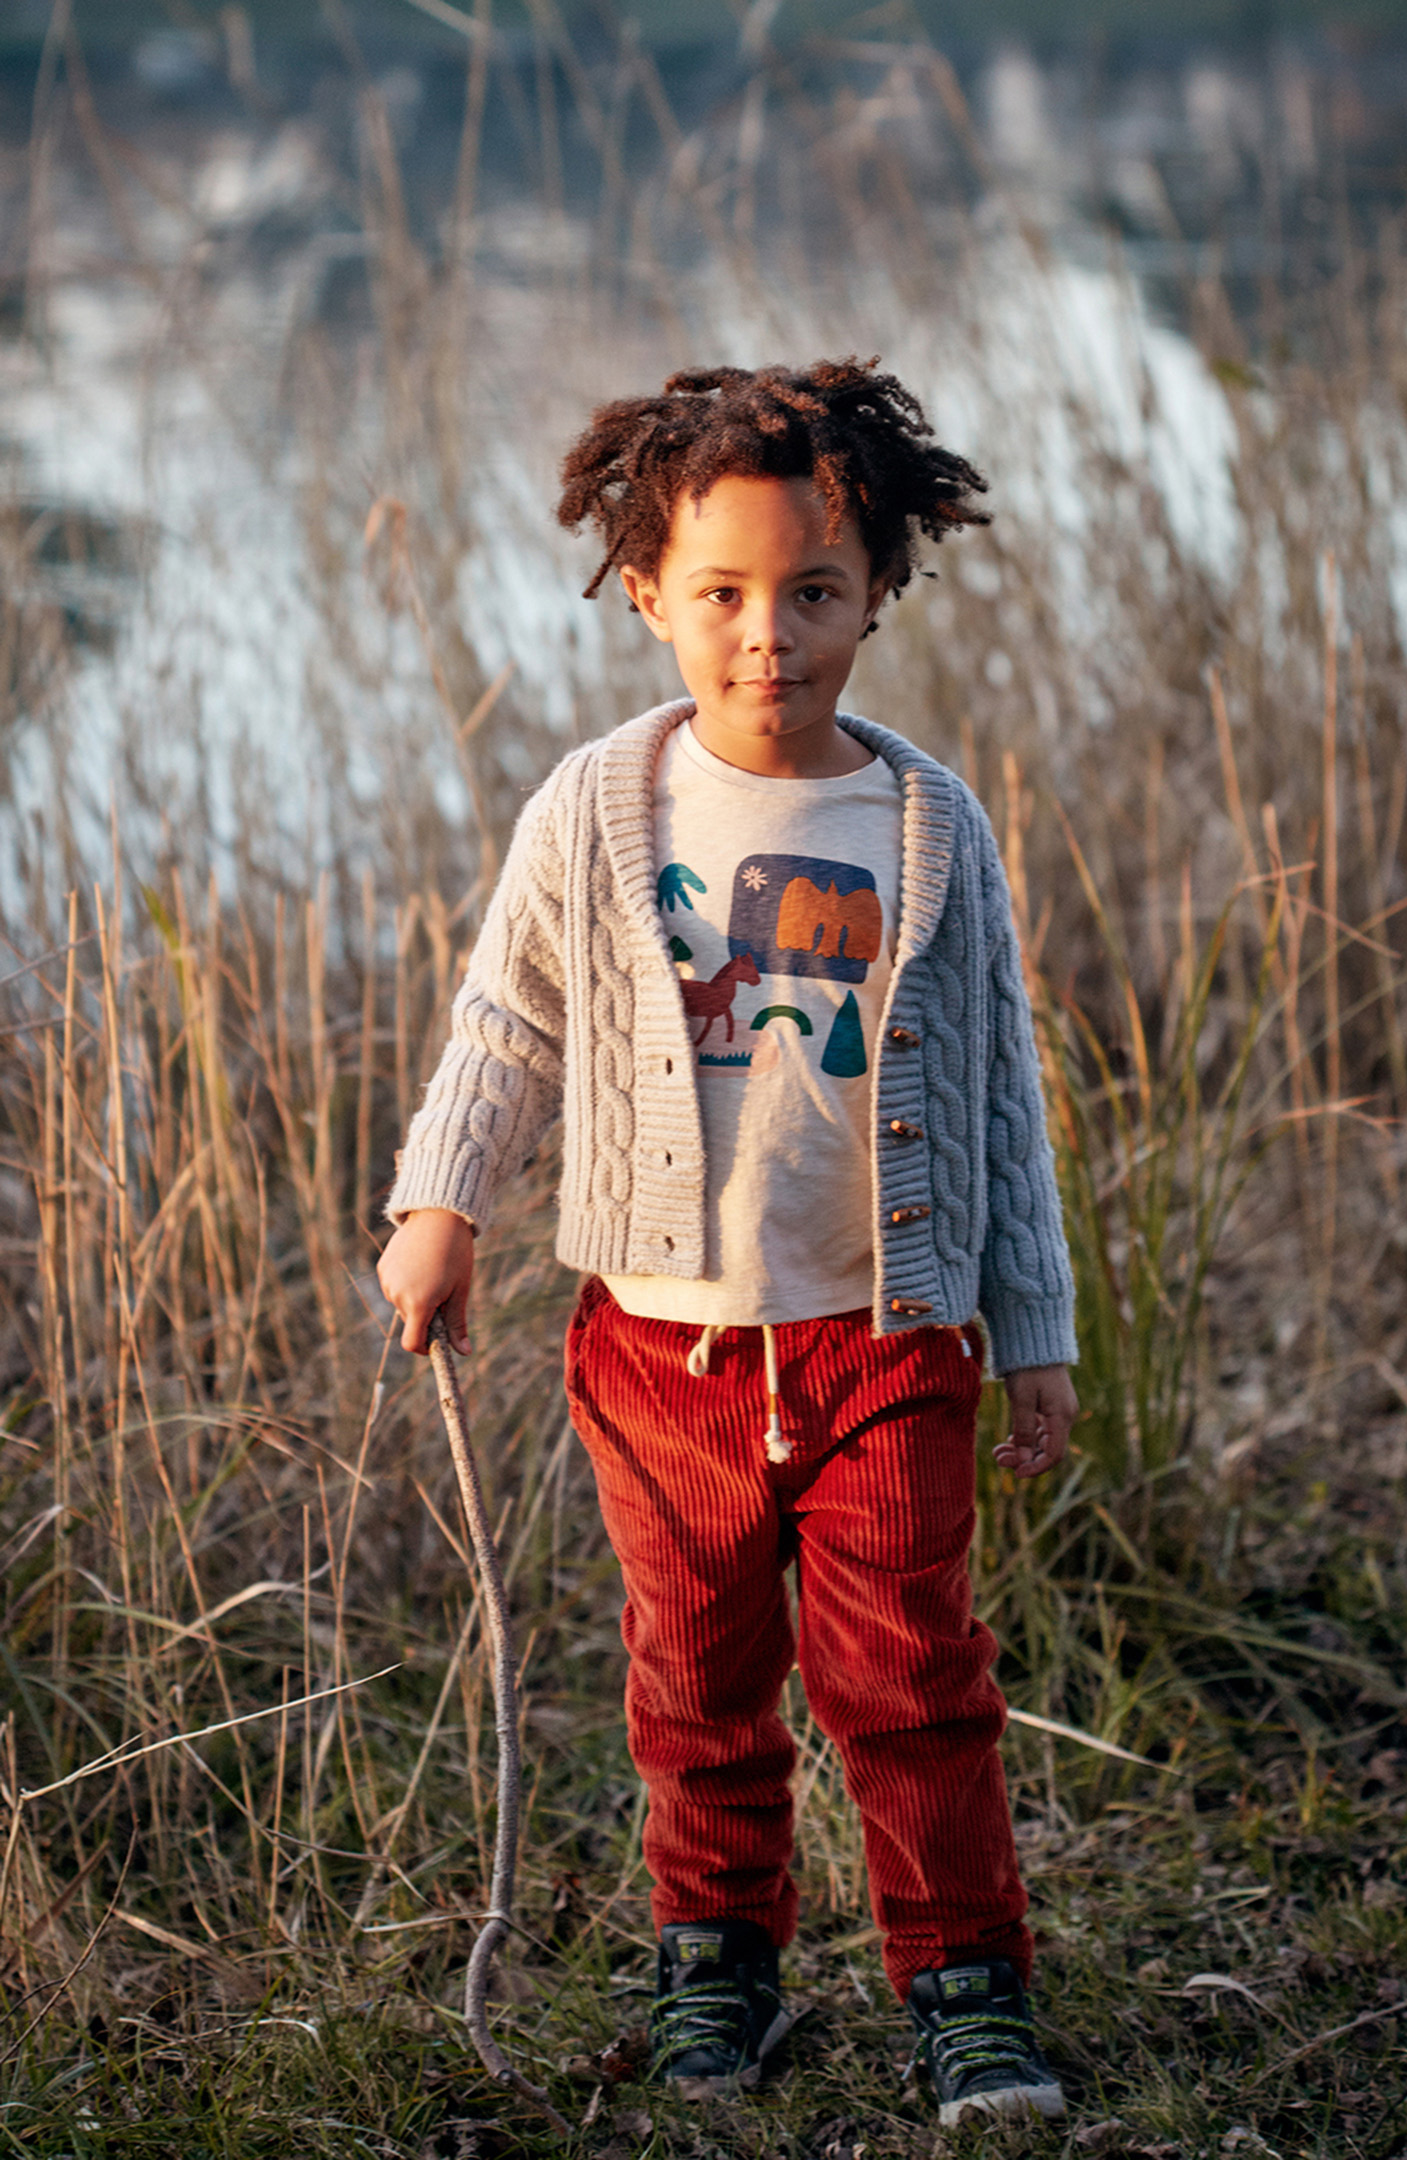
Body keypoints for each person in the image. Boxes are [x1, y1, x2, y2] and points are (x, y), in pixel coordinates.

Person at [377, 359, 1079, 2126]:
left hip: (887, 1340)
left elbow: (998, 1087)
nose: (771, 637)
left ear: (880, 589)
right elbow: (510, 1018)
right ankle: (718, 1962)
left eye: (815, 591)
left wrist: (1035, 1324)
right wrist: (442, 1205)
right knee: (693, 1678)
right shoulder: (599, 807)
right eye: (723, 594)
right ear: (647, 592)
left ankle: (966, 1981)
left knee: (911, 1676)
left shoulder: (927, 826)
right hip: (660, 1350)